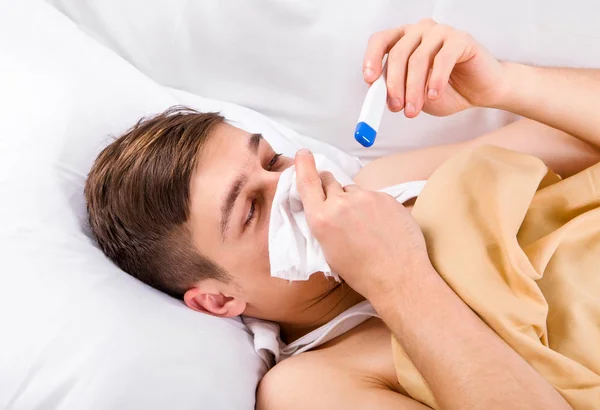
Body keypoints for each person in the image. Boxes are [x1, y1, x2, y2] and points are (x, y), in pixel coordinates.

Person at [84, 20, 600, 409]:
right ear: (219, 300)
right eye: (251, 209)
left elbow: (579, 141)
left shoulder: (388, 184)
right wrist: (399, 280)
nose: (293, 182)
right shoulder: (312, 387)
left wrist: (506, 86)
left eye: (271, 160)